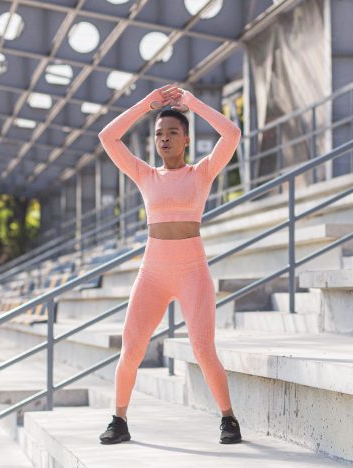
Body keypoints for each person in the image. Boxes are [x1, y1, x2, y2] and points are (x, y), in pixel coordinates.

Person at [97, 84, 242, 445]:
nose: (164, 138)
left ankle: (228, 419)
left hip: (192, 270)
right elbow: (107, 137)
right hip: (153, 273)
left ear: (186, 140)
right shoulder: (146, 174)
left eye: (172, 132)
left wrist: (192, 102)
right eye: (159, 133)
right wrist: (146, 105)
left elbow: (232, 133)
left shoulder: (202, 173)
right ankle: (119, 419)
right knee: (132, 347)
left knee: (203, 348)